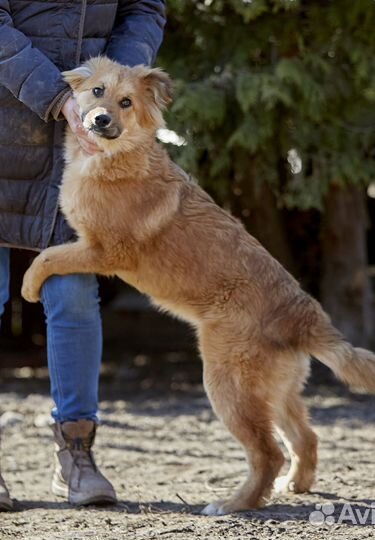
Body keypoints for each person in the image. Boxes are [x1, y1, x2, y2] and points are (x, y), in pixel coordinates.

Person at [0, 0, 166, 510]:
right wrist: (58, 94)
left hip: (80, 144)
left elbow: (144, 8)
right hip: (8, 118)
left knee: (73, 295)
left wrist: (110, 86)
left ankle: (76, 454)